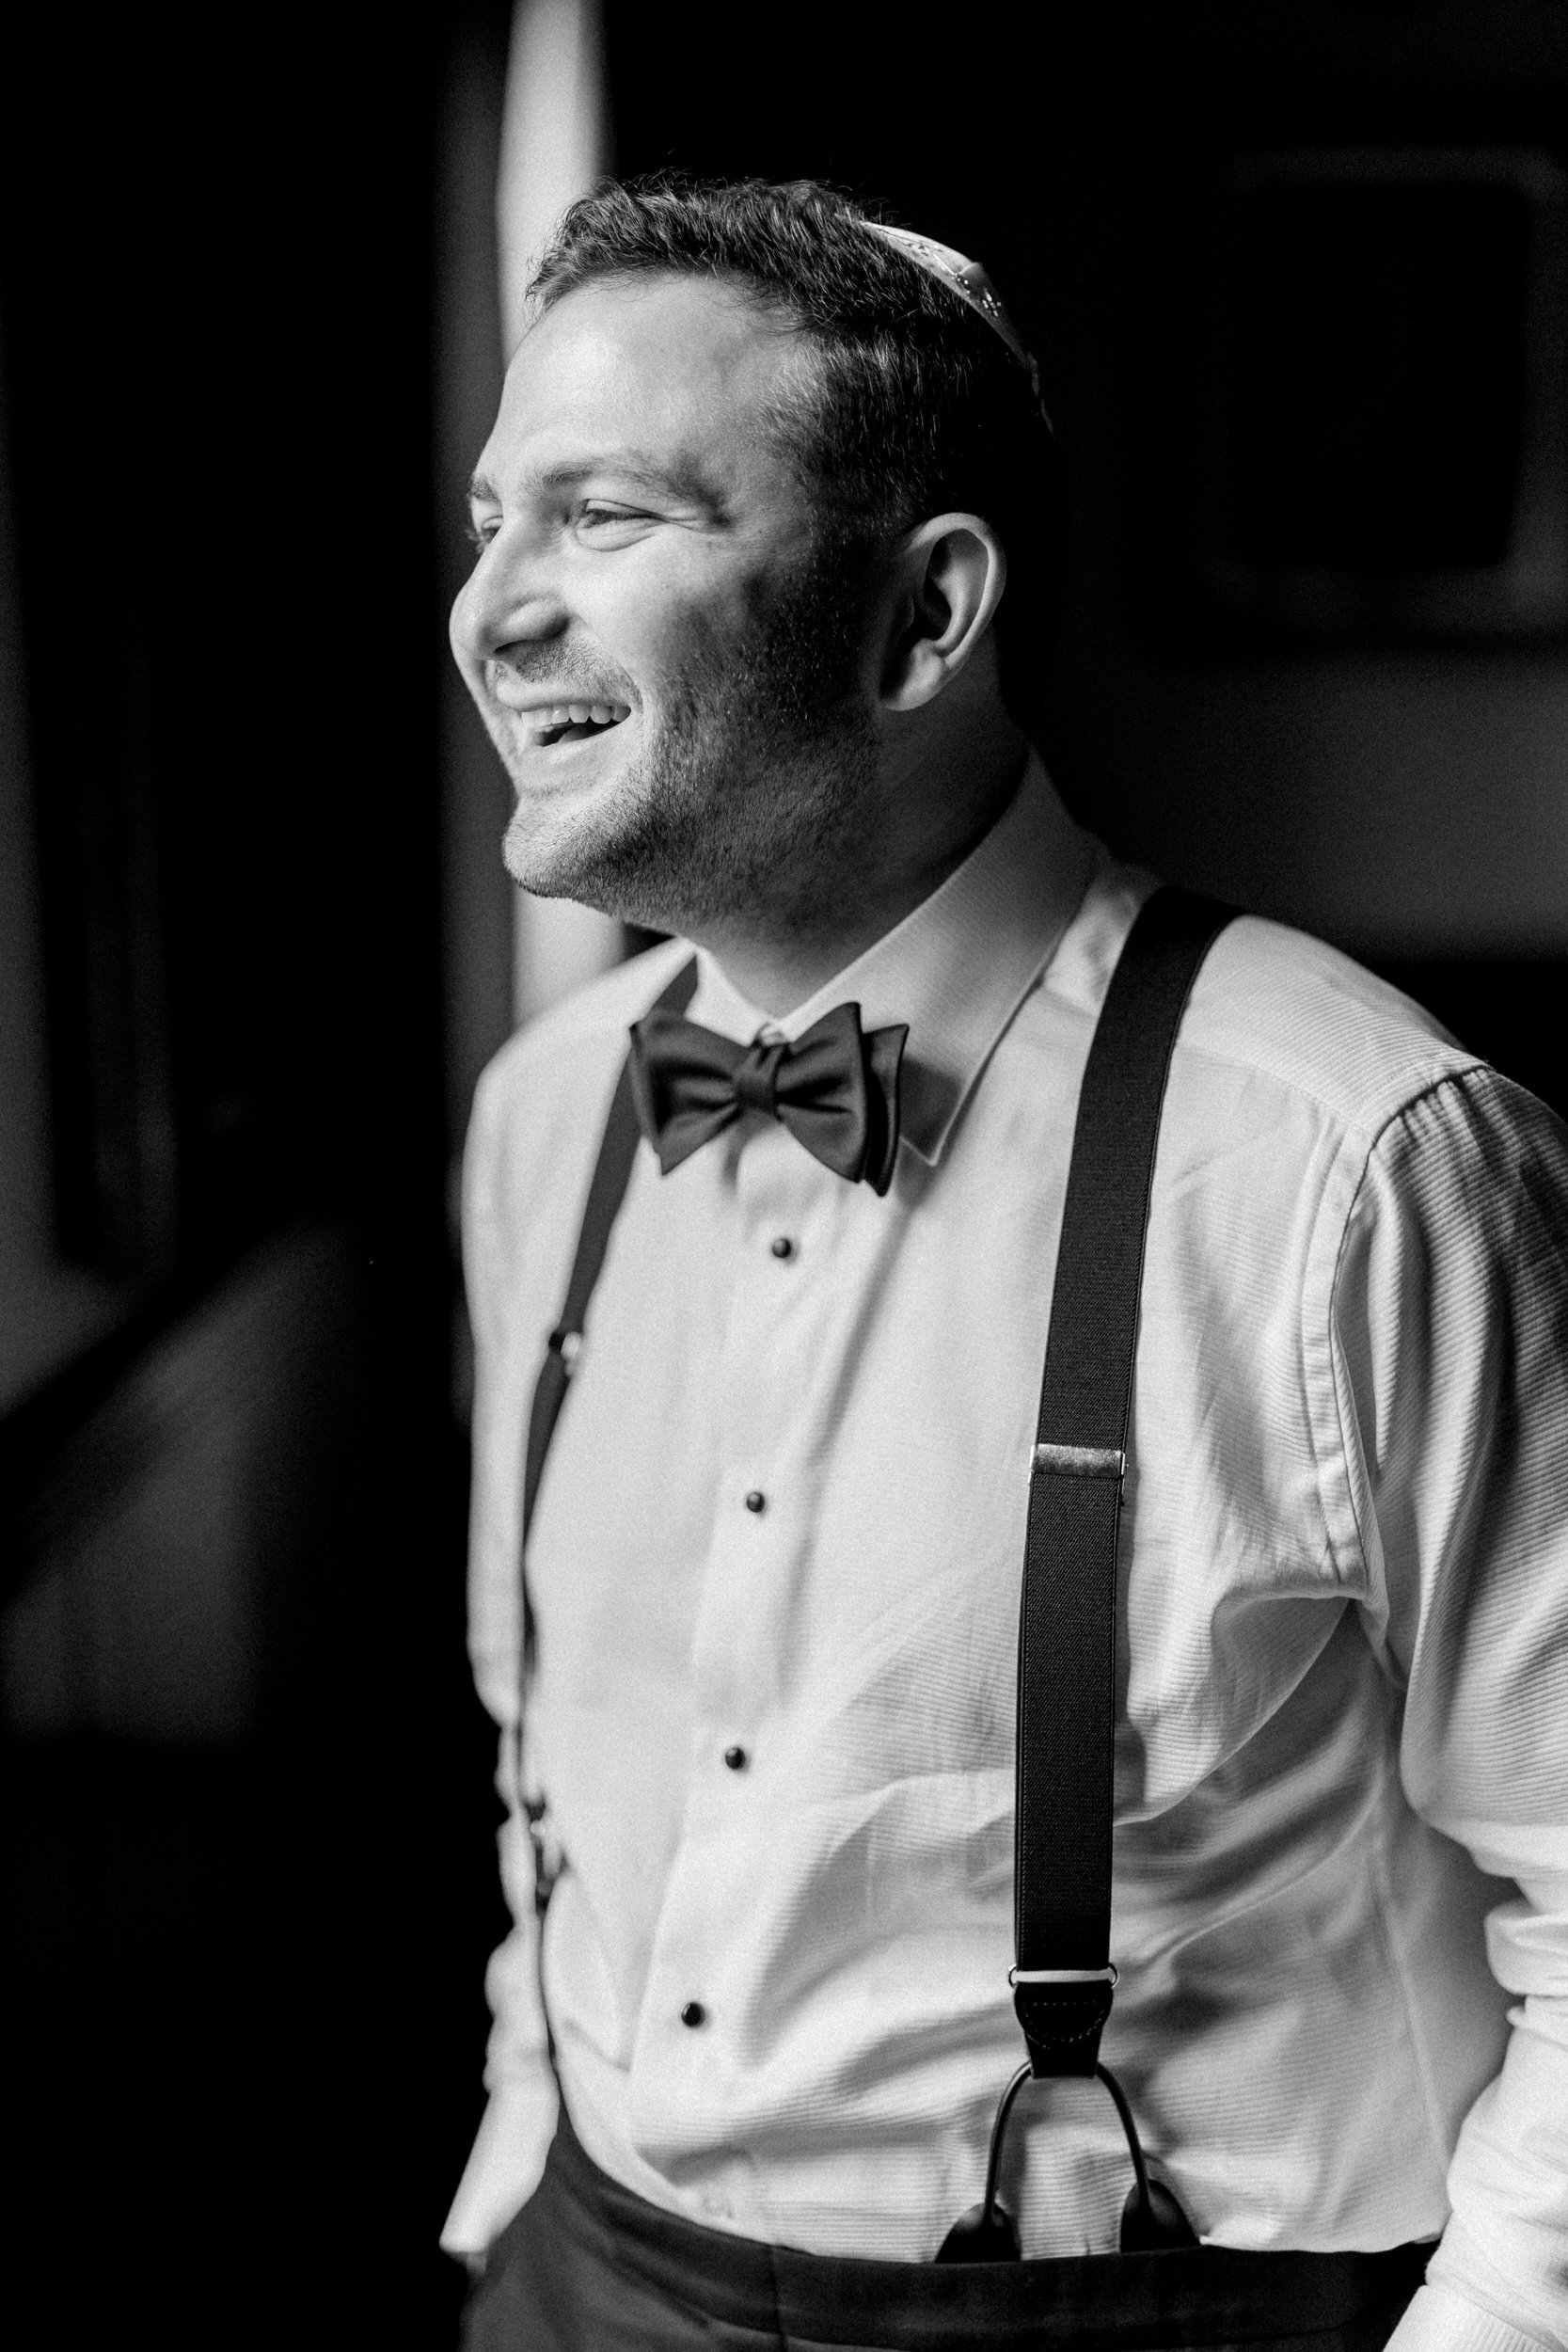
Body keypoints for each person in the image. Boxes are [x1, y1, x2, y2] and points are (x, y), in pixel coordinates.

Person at [441, 176, 1568, 2351]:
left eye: (605, 515)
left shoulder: (1366, 1164)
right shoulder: (542, 1117)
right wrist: (513, 2183)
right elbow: (549, 1757)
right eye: (493, 517)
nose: (494, 605)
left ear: (923, 613)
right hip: (585, 2276)